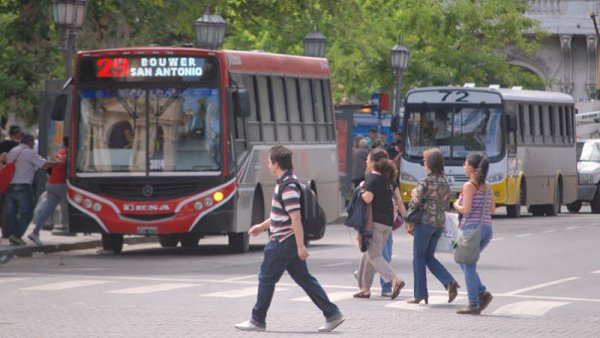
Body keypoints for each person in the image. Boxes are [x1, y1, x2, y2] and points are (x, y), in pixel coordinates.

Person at [234, 145, 344, 333]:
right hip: (287, 241)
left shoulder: (288, 187)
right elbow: (282, 216)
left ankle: (257, 320)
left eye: (269, 162)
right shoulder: (287, 183)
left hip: (283, 242)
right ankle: (332, 314)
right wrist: (262, 226)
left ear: (276, 164)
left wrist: (300, 246)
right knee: (305, 280)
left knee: (266, 279)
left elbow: (295, 218)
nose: (268, 165)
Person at [407, 148, 460, 305]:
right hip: (439, 224)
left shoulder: (425, 181)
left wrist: (413, 195)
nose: (423, 164)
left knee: (418, 257)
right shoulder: (445, 181)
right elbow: (445, 202)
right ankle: (449, 282)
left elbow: (415, 202)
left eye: (424, 161)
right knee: (429, 257)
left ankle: (420, 294)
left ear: (430, 163)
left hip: (424, 223)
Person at [354, 147, 406, 300]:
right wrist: (407, 220)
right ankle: (364, 288)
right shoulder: (390, 178)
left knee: (374, 255)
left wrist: (361, 191)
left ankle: (394, 279)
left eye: (368, 159)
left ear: (374, 163)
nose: (366, 161)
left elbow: (368, 198)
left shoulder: (371, 177)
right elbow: (399, 201)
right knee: (368, 256)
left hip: (374, 223)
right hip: (388, 224)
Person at [452, 153, 495, 315]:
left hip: (471, 229)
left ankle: (473, 302)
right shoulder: (488, 186)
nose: (463, 166)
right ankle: (482, 293)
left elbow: (466, 210)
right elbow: (492, 210)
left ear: (471, 168)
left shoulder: (469, 186)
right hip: (486, 229)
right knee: (465, 262)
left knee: (468, 265)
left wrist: (456, 204)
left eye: (465, 164)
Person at [5, 133, 64, 246]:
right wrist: (60, 163)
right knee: (27, 213)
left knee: (11, 213)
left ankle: (13, 234)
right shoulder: (29, 152)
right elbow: (45, 164)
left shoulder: (13, 150)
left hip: (11, 186)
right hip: (23, 186)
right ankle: (16, 235)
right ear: (30, 142)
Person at [27, 137, 69, 246]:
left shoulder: (60, 152)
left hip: (51, 183)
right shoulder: (69, 155)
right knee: (69, 206)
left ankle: (35, 232)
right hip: (61, 184)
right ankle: (65, 227)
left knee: (48, 209)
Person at [0, 125, 24, 239]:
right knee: (11, 207)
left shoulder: (2, 144)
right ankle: (7, 231)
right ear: (18, 135)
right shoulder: (19, 148)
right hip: (14, 180)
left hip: (2, 178)